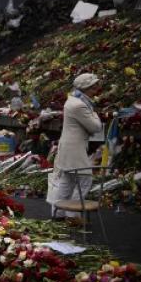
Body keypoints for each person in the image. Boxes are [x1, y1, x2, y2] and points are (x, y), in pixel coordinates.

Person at [47, 73, 103, 221]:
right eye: (93, 87)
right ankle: (72, 215)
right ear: (85, 88)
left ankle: (57, 214)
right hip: (74, 149)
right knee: (85, 179)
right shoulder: (79, 105)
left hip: (69, 147)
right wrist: (96, 114)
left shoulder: (73, 100)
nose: (96, 89)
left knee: (67, 181)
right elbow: (96, 127)